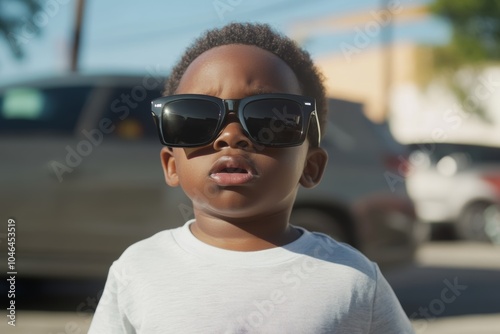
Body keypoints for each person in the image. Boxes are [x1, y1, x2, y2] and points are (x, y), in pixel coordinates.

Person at [88, 22, 414, 333]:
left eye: (268, 116)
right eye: (195, 117)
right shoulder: (138, 269)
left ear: (310, 167)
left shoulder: (352, 280)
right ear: (170, 165)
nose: (231, 136)